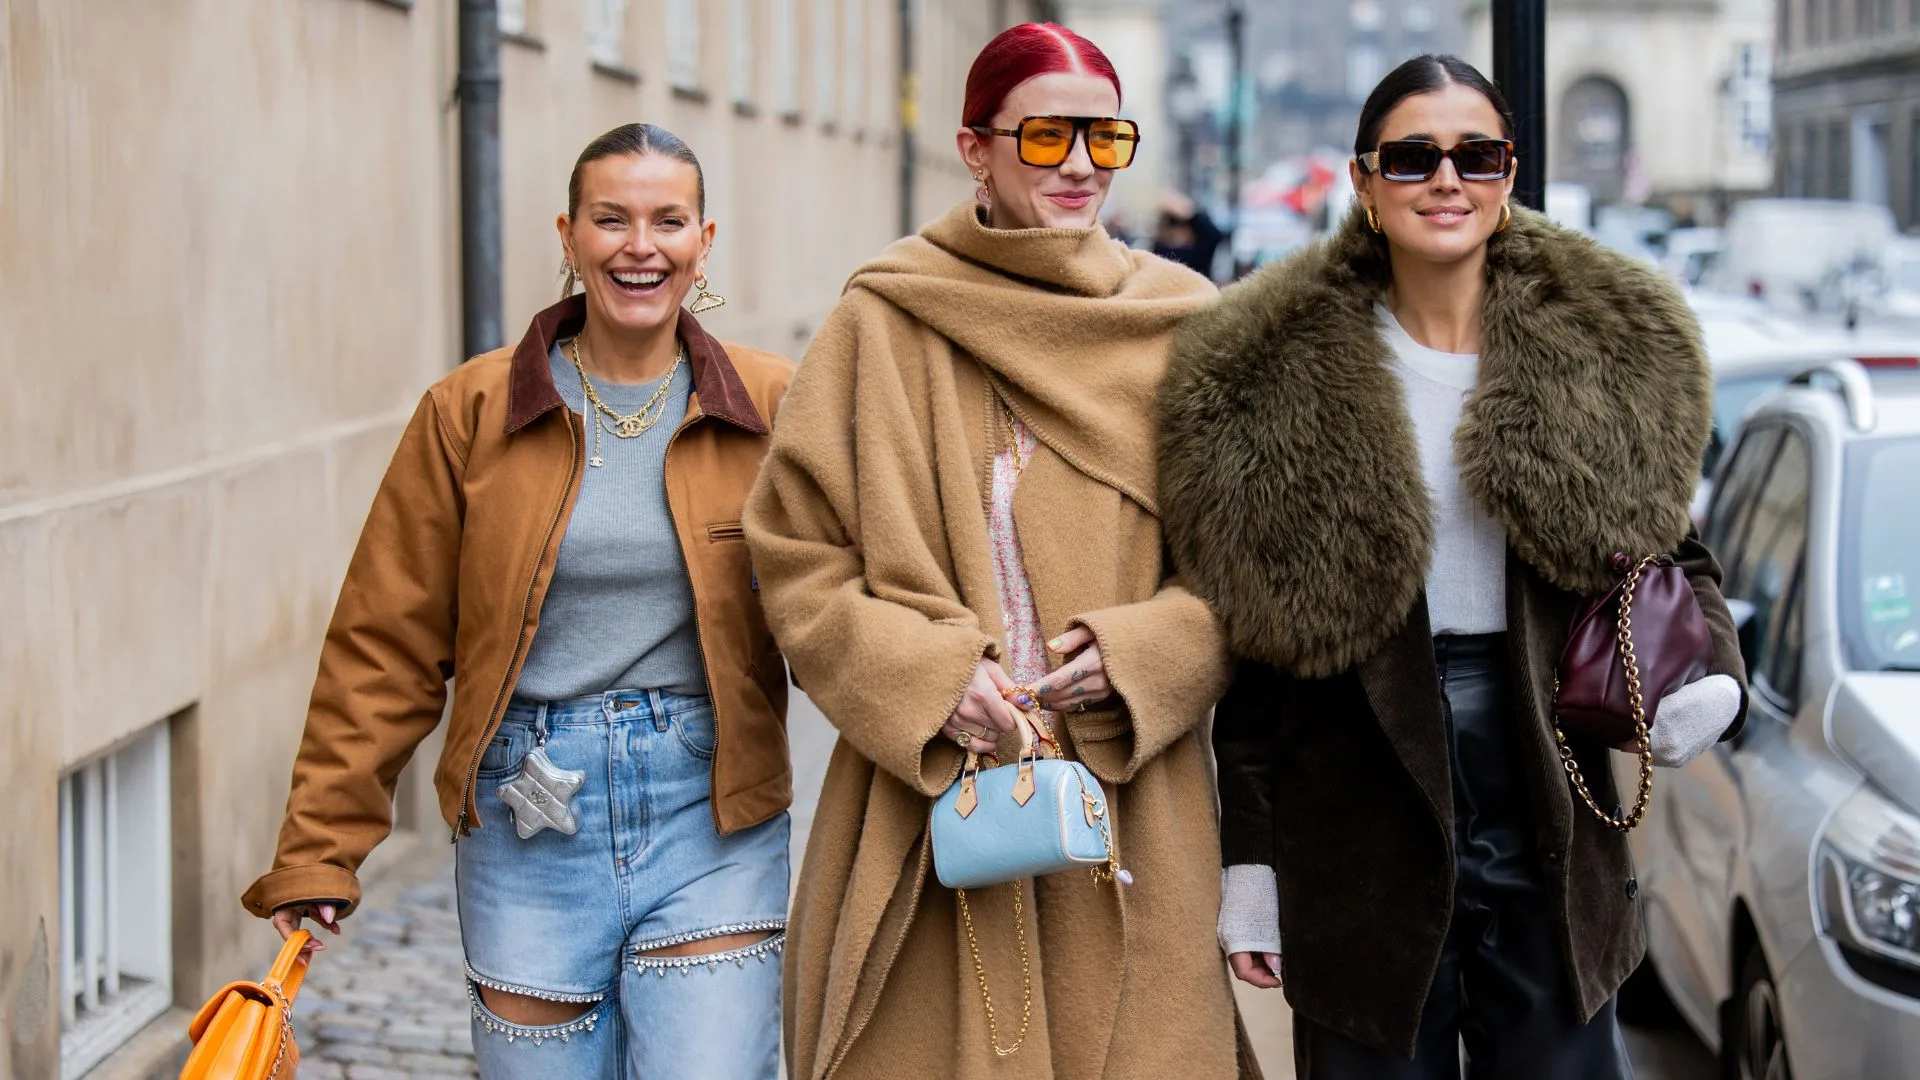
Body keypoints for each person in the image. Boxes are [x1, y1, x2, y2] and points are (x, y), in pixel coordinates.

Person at [1156, 55, 1749, 1079]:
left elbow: (1671, 547)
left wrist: (1716, 674)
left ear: (1508, 176)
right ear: (1365, 184)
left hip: (1547, 777)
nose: (1447, 179)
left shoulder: (1599, 349)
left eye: (1477, 155)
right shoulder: (1269, 377)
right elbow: (1254, 641)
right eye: (1414, 157)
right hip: (1355, 796)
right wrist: (1251, 858)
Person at [745, 22, 1255, 1080]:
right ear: (976, 148)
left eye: (1104, 140)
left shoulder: (1191, 326)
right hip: (932, 802)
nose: (1078, 165)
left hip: (1135, 812)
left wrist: (1140, 654)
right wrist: (928, 677)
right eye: (1046, 138)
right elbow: (796, 554)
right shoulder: (883, 318)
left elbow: (1246, 570)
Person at [242, 124, 797, 1079]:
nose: (640, 245)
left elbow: (845, 593)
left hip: (709, 802)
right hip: (526, 808)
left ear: (705, 240)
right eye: (611, 218)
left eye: (669, 220)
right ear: (568, 234)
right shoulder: (472, 410)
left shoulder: (772, 404)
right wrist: (321, 847)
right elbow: (386, 640)